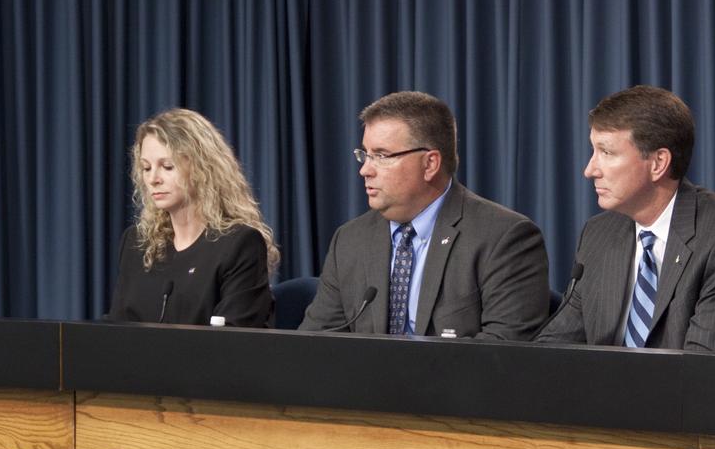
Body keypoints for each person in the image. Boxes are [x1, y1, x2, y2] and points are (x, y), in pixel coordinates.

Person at [535, 85, 715, 354]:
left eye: (607, 153)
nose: (590, 170)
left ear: (658, 163)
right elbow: (552, 351)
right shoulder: (598, 233)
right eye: (593, 151)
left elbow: (705, 371)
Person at [299, 91, 549, 339]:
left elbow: (504, 352)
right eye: (364, 154)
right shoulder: (350, 240)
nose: (365, 169)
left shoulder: (503, 238)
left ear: (430, 164)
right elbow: (317, 344)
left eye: (381, 156)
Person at [109, 108, 278, 327]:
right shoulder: (136, 243)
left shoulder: (239, 244)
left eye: (167, 166)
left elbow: (237, 341)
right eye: (146, 168)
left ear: (202, 169)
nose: (153, 179)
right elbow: (115, 329)